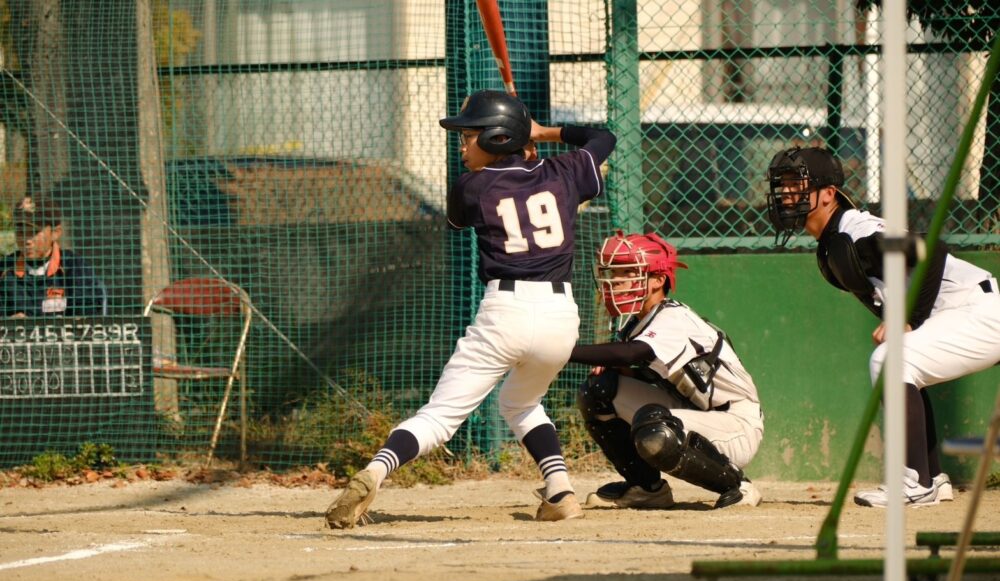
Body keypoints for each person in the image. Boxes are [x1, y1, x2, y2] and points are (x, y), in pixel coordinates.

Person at [325, 89, 616, 529]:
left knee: (441, 417)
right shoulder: (566, 171)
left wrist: (525, 139)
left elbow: (462, 217)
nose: (462, 146)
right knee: (520, 403)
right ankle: (560, 492)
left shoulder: (473, 186)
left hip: (507, 311)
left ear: (499, 138)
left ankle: (375, 471)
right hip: (561, 317)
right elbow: (603, 137)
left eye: (470, 136)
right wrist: (545, 133)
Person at [765, 146, 1000, 507]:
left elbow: (930, 249)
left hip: (978, 309)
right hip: (965, 311)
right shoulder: (833, 245)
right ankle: (931, 478)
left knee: (891, 361)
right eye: (783, 186)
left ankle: (913, 482)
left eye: (797, 184)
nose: (787, 194)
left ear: (828, 195)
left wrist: (907, 319)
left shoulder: (857, 234)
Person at [568, 230, 765, 510]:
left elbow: (636, 353)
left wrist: (565, 351)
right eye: (614, 273)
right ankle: (646, 488)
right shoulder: (637, 324)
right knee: (599, 390)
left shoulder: (673, 317)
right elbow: (637, 366)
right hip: (692, 410)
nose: (615, 280)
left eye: (627, 272)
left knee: (655, 426)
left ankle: (737, 485)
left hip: (735, 423)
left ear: (658, 280)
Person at [0, 196, 107, 317]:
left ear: (56, 233)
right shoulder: (4, 270)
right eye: (20, 232)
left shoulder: (73, 267)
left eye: (34, 232)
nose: (27, 239)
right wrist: (7, 322)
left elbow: (89, 311)